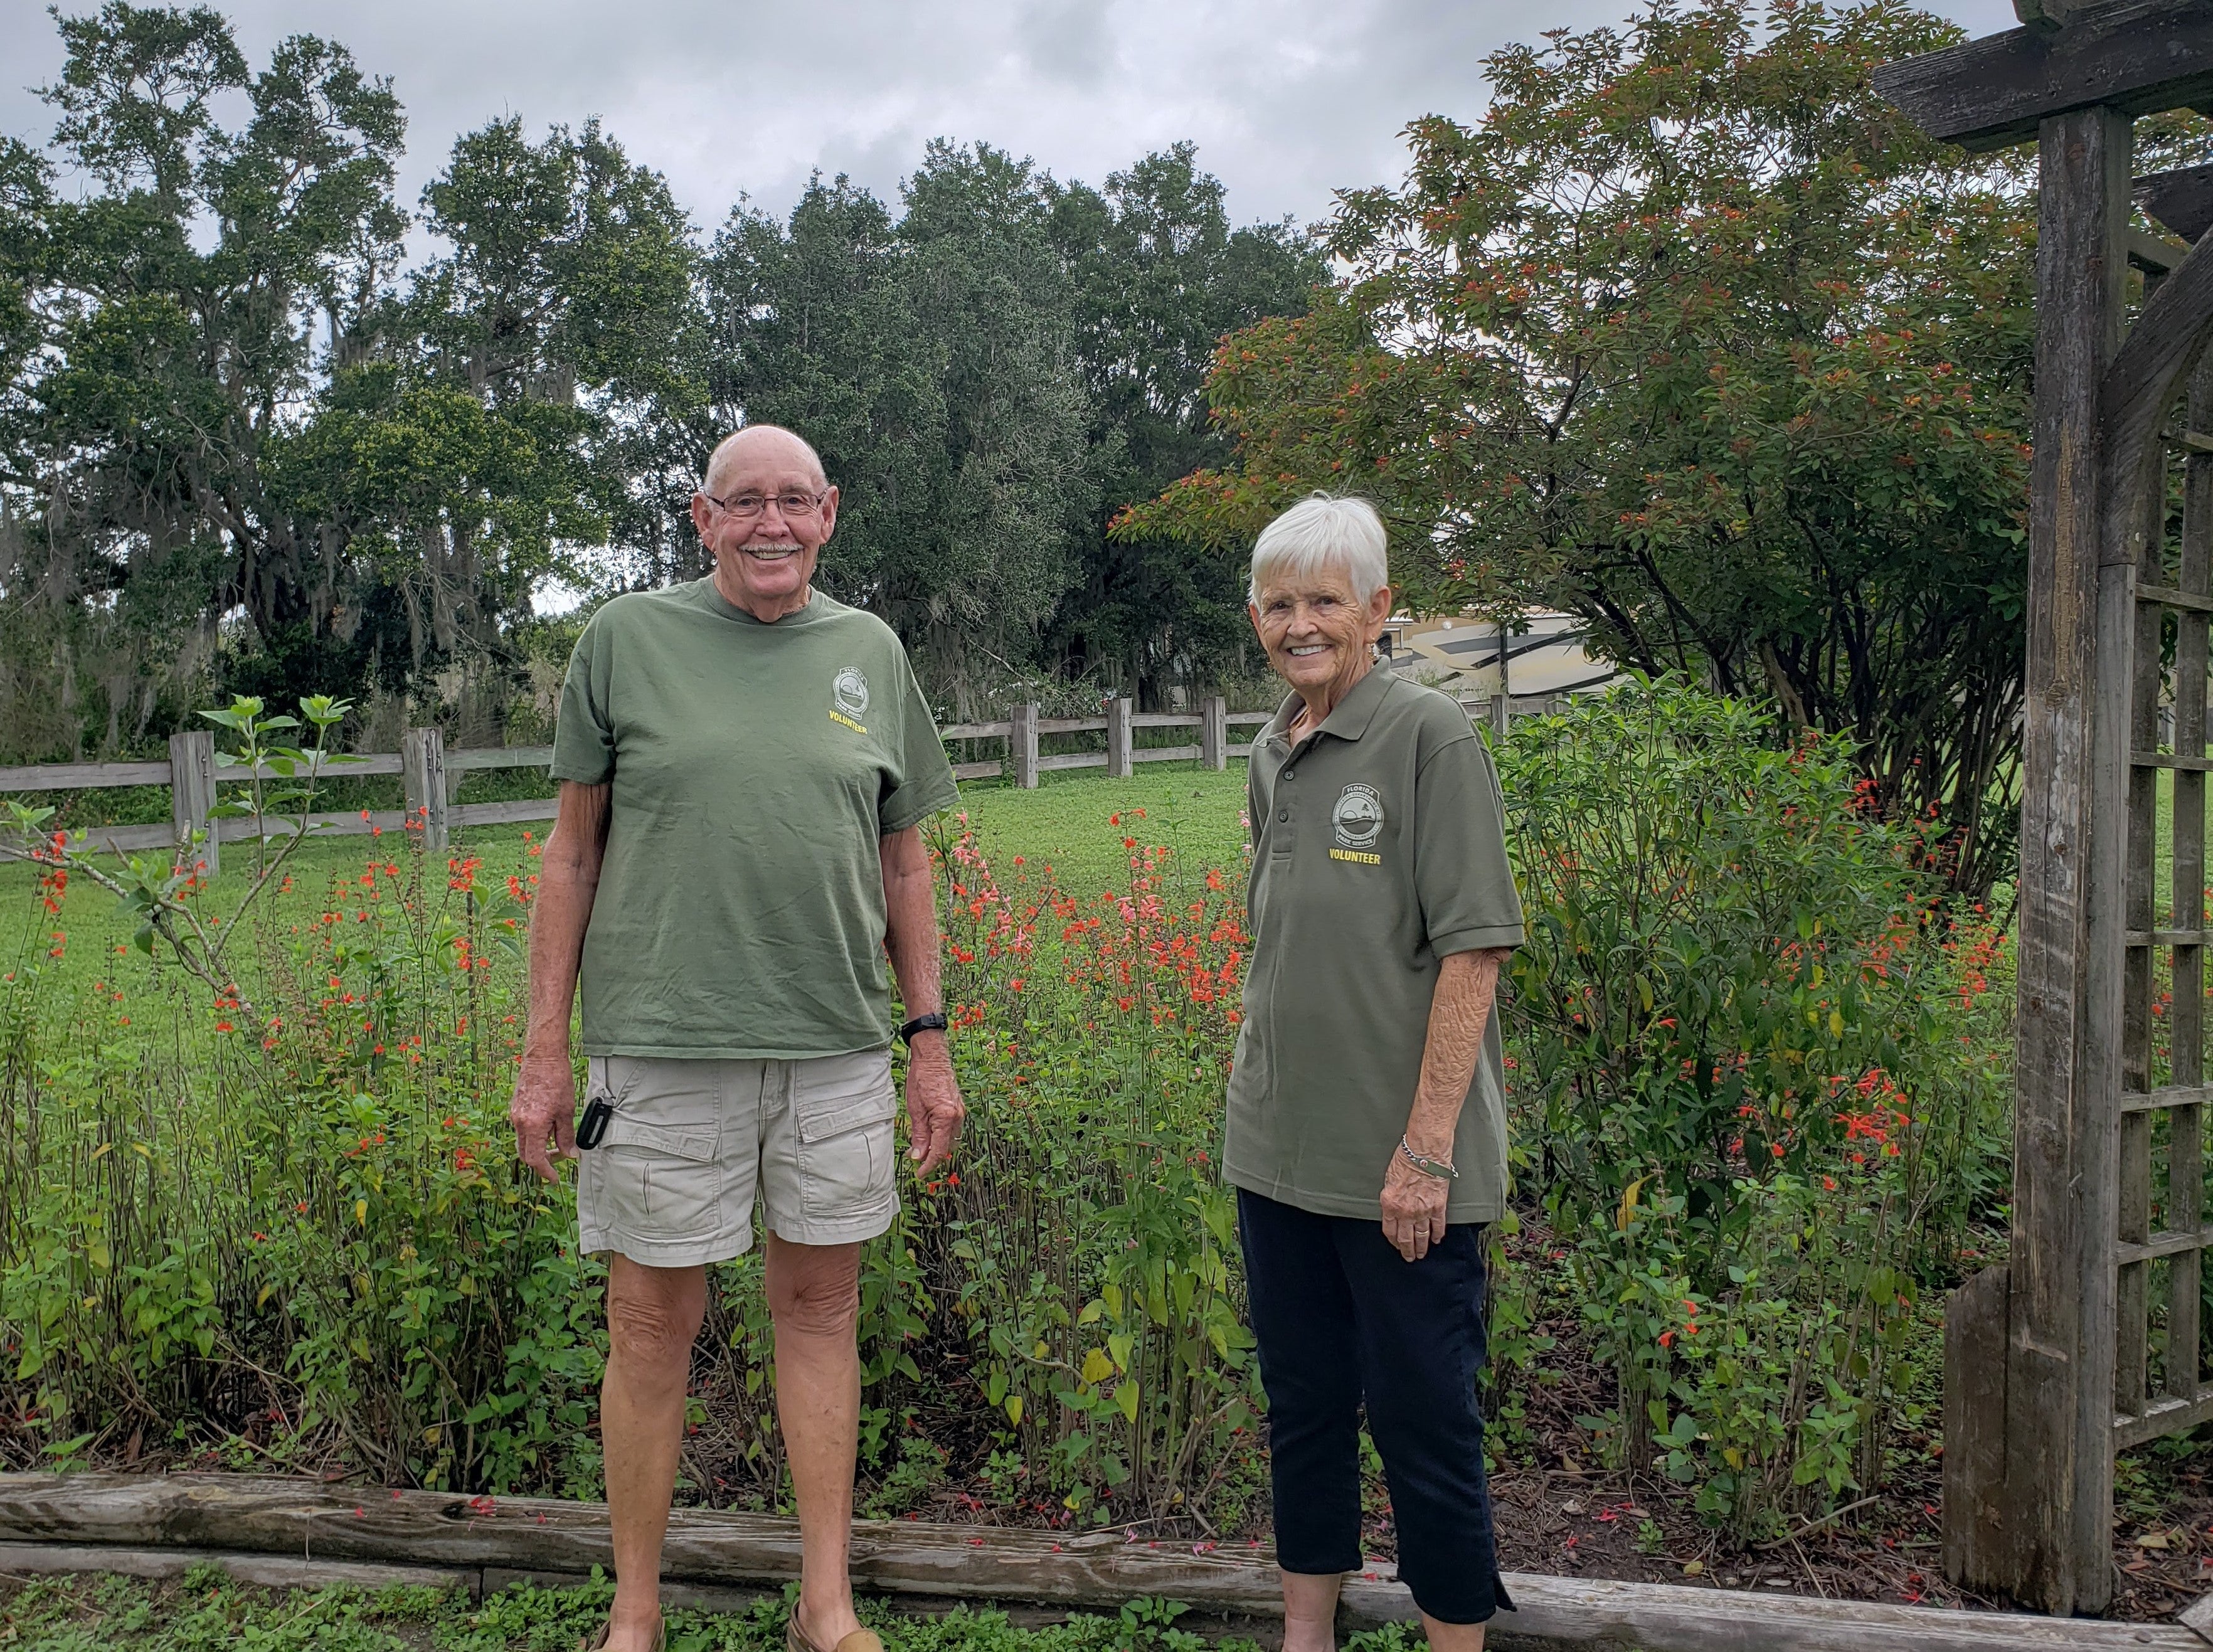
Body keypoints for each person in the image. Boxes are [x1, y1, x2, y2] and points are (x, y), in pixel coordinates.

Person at [511, 425, 965, 1652]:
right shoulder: (625, 642)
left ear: (830, 513)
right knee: (649, 1327)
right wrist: (544, 1054)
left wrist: (927, 1043)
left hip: (832, 1049)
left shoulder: (869, 650)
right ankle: (636, 1607)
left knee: (820, 1312)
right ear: (700, 518)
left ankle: (827, 1602)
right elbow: (571, 853)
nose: (772, 523)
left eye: (794, 502)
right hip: (661, 1048)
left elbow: (906, 863)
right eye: (743, 502)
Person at [1228, 494, 1522, 1651]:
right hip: (1276, 1146)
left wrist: (1424, 1148)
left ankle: (1455, 1637)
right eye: (1280, 602)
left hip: (1404, 1163)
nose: (1301, 623)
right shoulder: (1271, 746)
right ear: (1258, 616)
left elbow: (1477, 947)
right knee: (1302, 1404)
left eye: (1324, 601)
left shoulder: (1428, 739)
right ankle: (1309, 1630)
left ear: (1379, 609)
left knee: (1422, 1415)